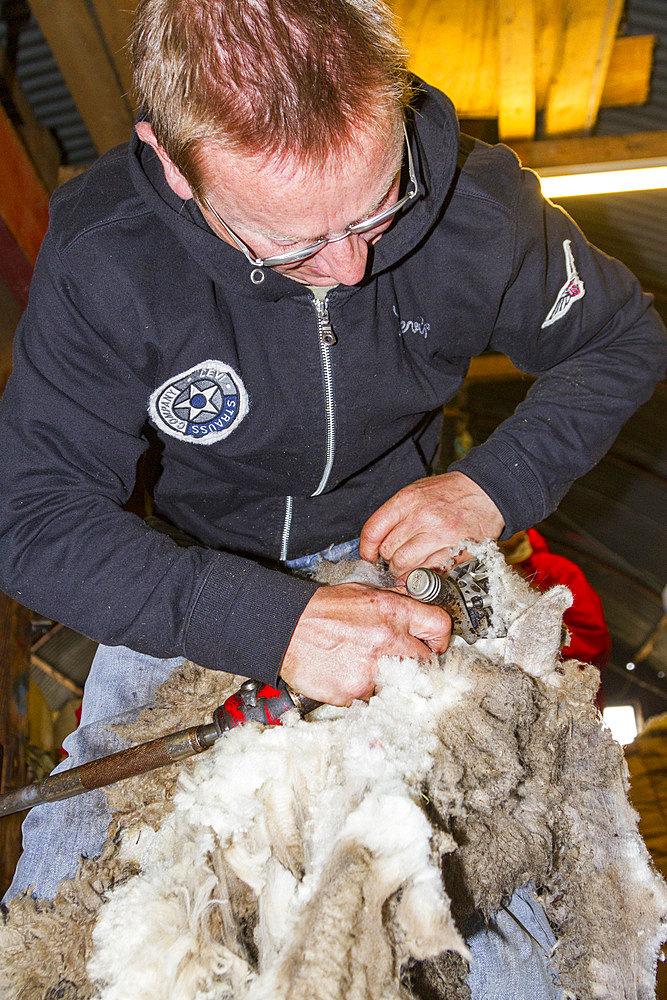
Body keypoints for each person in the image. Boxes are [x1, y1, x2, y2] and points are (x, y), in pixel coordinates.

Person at [0, 0, 665, 995]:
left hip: (407, 566)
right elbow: (32, 519)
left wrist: (490, 486)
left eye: (374, 207)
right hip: (188, 576)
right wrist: (272, 620)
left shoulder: (476, 209)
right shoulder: (109, 259)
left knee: (506, 940)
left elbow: (619, 340)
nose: (350, 266)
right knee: (66, 897)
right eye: (291, 243)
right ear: (176, 168)